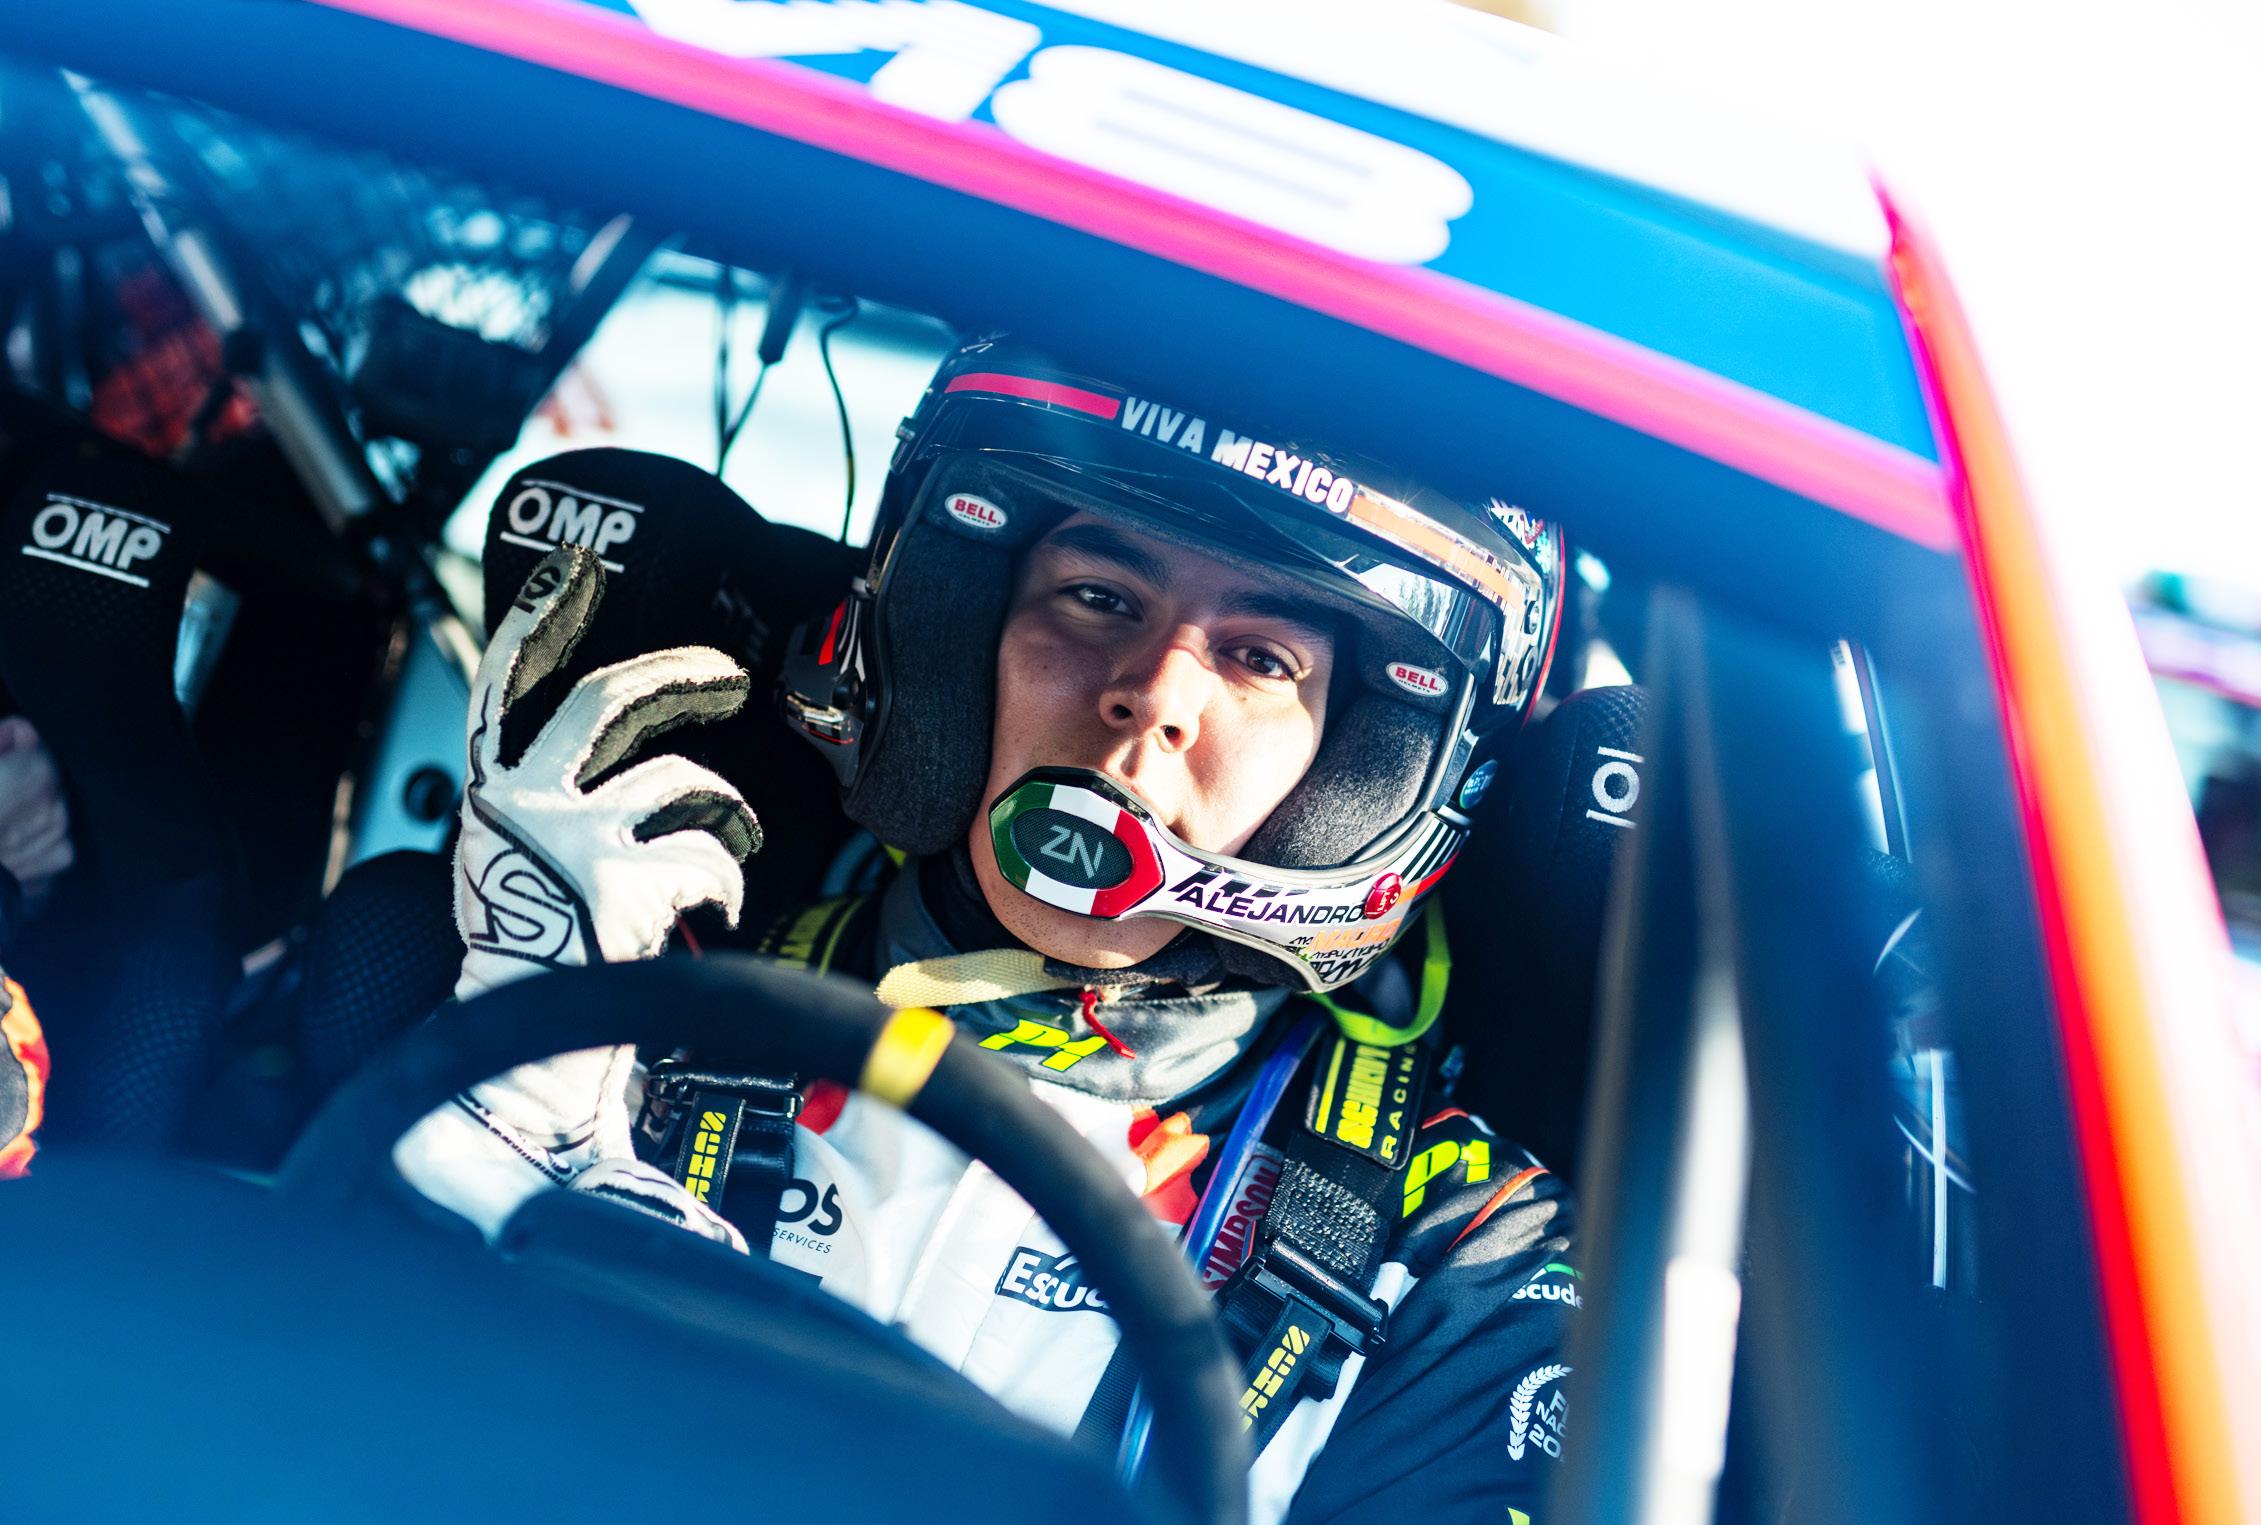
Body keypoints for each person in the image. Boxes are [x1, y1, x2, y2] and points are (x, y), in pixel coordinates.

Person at [397, 339, 1578, 1523]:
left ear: (1363, 769)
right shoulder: (628, 994)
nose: (1154, 696)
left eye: (1259, 658)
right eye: (1098, 597)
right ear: (957, 635)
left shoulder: (1460, 1252)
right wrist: (499, 1131)